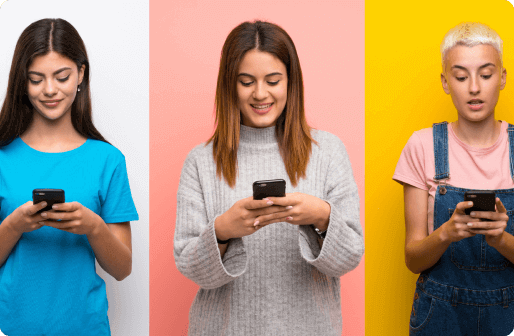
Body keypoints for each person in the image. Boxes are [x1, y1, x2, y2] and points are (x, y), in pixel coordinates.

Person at [174, 20, 363, 335]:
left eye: (273, 80)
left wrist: (322, 216)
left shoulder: (328, 152)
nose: (260, 94)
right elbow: (191, 268)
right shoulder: (201, 161)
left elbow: (349, 257)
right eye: (246, 81)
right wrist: (222, 231)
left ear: (291, 82)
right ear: (229, 85)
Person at [0, 18, 138, 335]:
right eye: (36, 79)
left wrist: (92, 226)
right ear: (22, 82)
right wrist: (15, 225)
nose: (50, 90)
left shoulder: (108, 160)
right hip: (11, 325)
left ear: (80, 74)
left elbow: (122, 269)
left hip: (84, 326)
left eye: (61, 77)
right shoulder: (2, 158)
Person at [394, 22, 514, 335]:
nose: (474, 87)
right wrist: (447, 232)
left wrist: (499, 238)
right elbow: (413, 259)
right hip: (440, 314)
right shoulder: (421, 146)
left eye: (485, 75)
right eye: (461, 76)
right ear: (446, 82)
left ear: (502, 78)